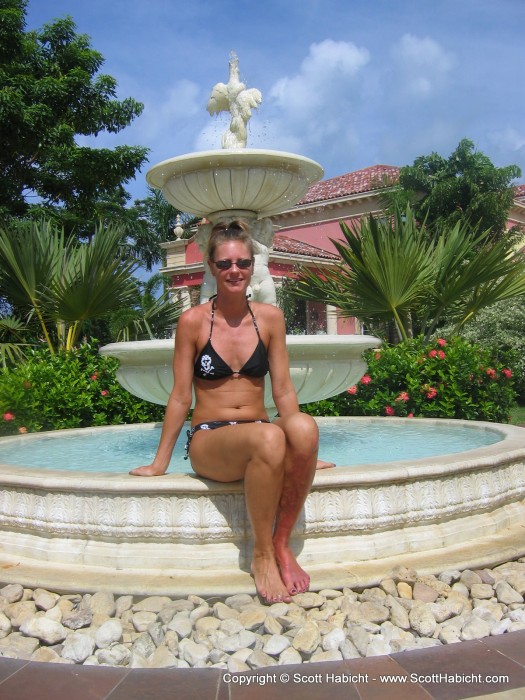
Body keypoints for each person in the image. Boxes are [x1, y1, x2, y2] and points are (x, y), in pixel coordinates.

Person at [130, 220, 323, 604]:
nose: (234, 271)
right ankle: (261, 555)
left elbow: (282, 388)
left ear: (252, 265)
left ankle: (281, 544)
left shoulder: (270, 319)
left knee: (304, 428)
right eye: (225, 264)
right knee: (269, 435)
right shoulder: (192, 322)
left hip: (257, 433)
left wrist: (307, 448)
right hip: (211, 440)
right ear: (211, 267)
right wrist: (159, 462)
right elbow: (181, 398)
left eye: (242, 262)